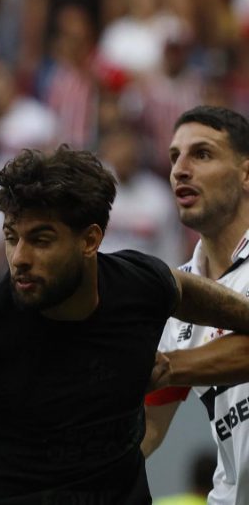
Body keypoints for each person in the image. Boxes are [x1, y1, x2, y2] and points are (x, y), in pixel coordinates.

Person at [0, 145, 249, 504]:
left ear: (90, 240)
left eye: (40, 240)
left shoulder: (141, 286)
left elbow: (184, 290)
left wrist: (178, 366)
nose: (19, 258)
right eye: (11, 237)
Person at [142, 106, 249, 505]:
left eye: (201, 154)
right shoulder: (177, 295)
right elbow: (148, 430)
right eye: (174, 157)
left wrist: (167, 368)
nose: (179, 170)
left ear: (246, 174)